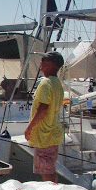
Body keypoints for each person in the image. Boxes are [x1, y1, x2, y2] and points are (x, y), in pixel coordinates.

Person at [24, 51, 65, 182]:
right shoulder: (57, 83)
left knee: (46, 171)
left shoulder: (46, 83)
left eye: (44, 60)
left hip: (45, 135)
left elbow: (43, 108)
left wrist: (29, 127)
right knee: (50, 169)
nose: (40, 63)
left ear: (51, 64)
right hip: (53, 132)